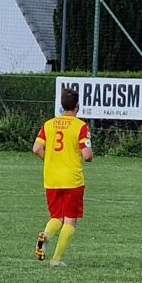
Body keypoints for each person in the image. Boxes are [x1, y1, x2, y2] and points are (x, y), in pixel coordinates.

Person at [32, 88, 93, 266]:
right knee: (70, 219)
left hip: (51, 178)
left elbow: (36, 148)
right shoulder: (80, 126)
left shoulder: (49, 124)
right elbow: (87, 155)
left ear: (61, 105)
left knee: (57, 216)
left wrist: (50, 160)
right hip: (72, 179)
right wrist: (87, 157)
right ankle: (56, 259)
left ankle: (46, 236)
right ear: (77, 106)